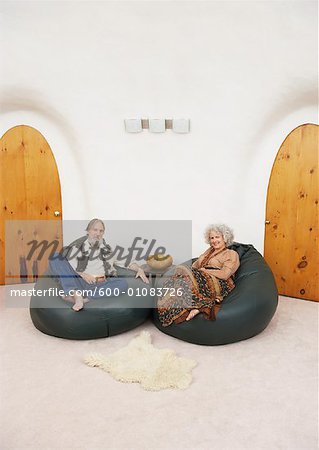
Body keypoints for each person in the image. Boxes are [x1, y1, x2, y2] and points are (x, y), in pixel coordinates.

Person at [49, 218, 149, 311]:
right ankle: (75, 294)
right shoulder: (77, 248)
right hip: (80, 281)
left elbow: (129, 263)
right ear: (88, 231)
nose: (98, 233)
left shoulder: (108, 251)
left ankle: (86, 299)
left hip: (98, 285)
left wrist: (139, 269)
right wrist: (83, 274)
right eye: (95, 230)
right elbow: (67, 265)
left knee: (122, 284)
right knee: (55, 256)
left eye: (101, 231)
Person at [157, 224, 240, 326]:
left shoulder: (231, 253)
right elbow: (195, 266)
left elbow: (225, 274)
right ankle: (191, 307)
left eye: (217, 237)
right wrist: (189, 273)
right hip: (202, 277)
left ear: (225, 238)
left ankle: (199, 306)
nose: (214, 240)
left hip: (220, 282)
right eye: (211, 238)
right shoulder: (209, 251)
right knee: (178, 277)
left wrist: (205, 271)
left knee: (181, 270)